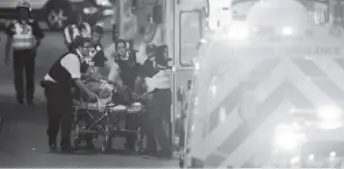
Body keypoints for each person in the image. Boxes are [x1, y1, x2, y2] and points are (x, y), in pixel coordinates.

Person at [41, 37, 98, 152]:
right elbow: (77, 81)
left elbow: (82, 74)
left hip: (63, 87)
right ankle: (52, 140)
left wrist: (98, 79)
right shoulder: (72, 58)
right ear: (79, 47)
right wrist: (89, 93)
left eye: (90, 47)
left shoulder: (80, 58)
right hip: (53, 86)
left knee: (67, 114)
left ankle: (65, 144)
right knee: (55, 115)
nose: (89, 50)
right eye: (87, 47)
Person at [4, 0, 44, 105]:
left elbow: (39, 37)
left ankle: (30, 97)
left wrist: (35, 49)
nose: (23, 13)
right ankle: (20, 95)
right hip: (17, 53)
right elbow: (8, 41)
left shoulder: (33, 24)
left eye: (25, 11)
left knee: (30, 76)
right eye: (21, 11)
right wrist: (7, 56)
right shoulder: (13, 25)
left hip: (29, 53)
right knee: (18, 76)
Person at [135, 45, 172, 158]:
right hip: (165, 94)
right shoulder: (162, 63)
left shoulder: (148, 64)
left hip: (157, 95)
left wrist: (137, 95)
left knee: (155, 121)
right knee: (151, 121)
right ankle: (152, 147)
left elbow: (138, 81)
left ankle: (165, 149)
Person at [106, 39, 142, 151]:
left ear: (127, 48)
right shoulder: (117, 64)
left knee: (133, 117)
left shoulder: (136, 57)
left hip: (137, 91)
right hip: (126, 93)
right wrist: (116, 86)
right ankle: (114, 140)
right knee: (117, 112)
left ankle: (130, 141)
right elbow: (110, 80)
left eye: (123, 47)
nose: (121, 50)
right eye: (119, 48)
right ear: (116, 50)